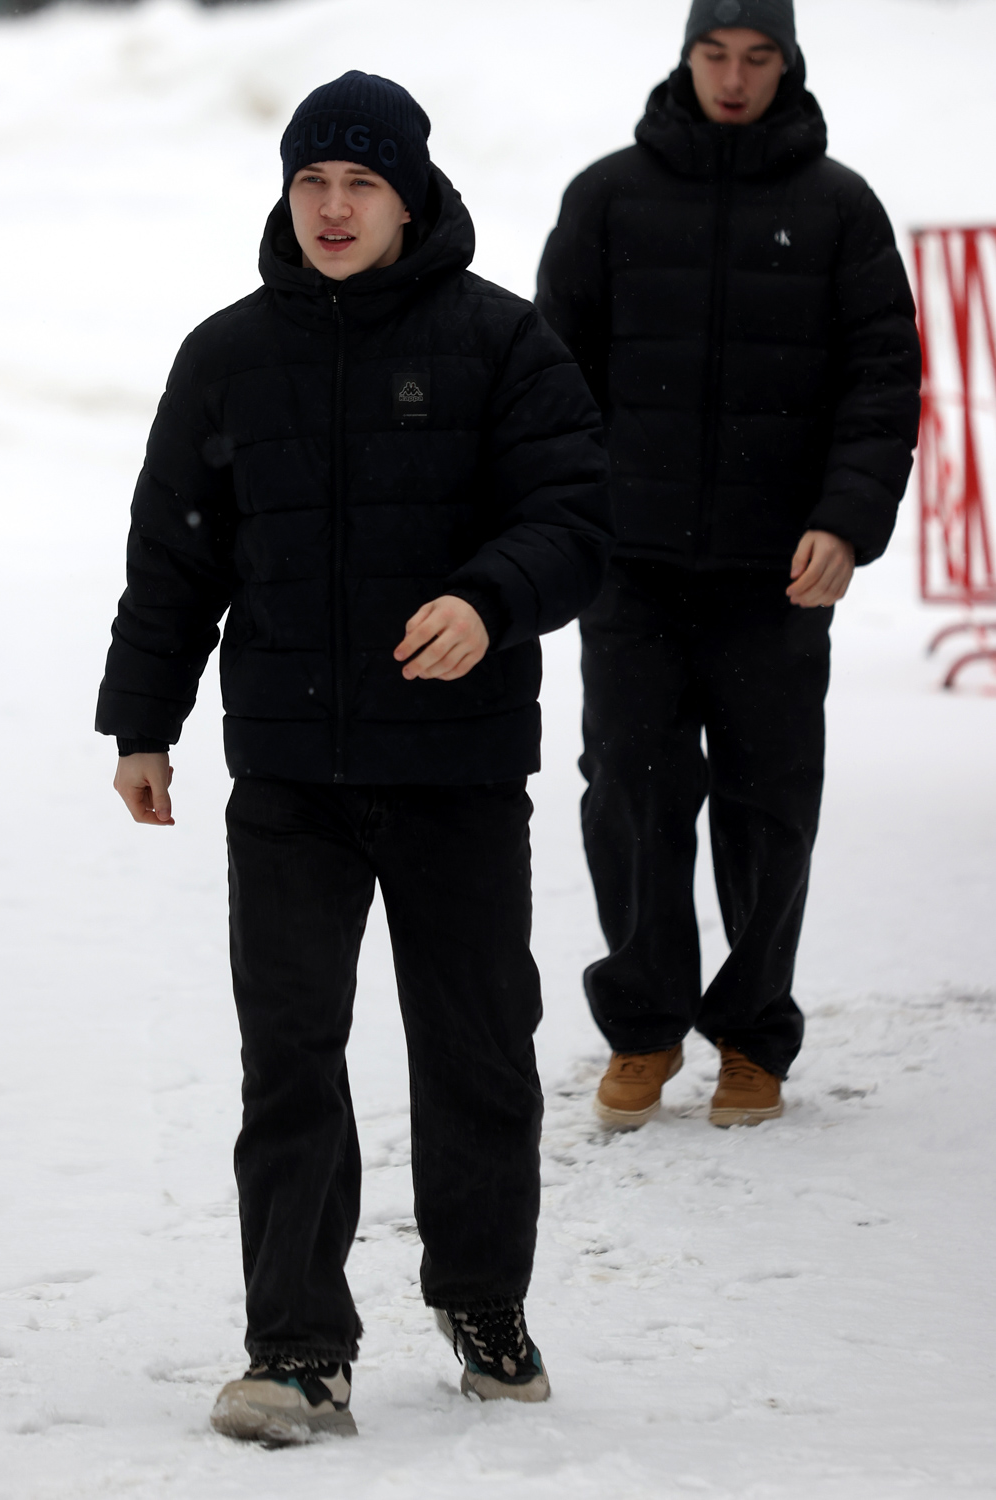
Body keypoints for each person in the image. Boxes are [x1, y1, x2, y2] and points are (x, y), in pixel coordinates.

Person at [96, 72, 611, 1443]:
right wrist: (143, 722)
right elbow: (175, 556)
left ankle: (482, 1300)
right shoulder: (226, 355)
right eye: (311, 182)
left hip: (454, 772)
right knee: (289, 1059)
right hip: (289, 777)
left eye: (360, 184)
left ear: (409, 199)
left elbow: (573, 519)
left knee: (476, 1052)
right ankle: (296, 1347)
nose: (332, 209)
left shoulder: (502, 344)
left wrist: (488, 600)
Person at [537, 0, 921, 1131]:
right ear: (686, 58)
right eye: (715, 55)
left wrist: (843, 521)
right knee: (629, 792)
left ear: (785, 65)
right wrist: (569, 520)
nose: (734, 78)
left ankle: (751, 1034)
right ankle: (643, 1025)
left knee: (768, 802)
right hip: (631, 566)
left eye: (757, 58)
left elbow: (880, 382)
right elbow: (551, 381)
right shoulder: (606, 198)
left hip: (776, 572)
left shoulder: (838, 207)